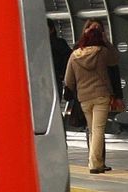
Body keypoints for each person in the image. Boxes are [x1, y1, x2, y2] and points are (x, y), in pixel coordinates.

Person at [64, 20, 119, 174]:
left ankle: (98, 162)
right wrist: (106, 41)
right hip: (101, 95)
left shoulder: (74, 55)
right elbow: (115, 60)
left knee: (92, 130)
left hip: (84, 98)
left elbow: (68, 80)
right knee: (98, 130)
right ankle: (94, 164)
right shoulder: (102, 51)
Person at [47, 20, 71, 96]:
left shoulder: (57, 44)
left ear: (51, 29)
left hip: (52, 77)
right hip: (56, 76)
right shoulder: (60, 43)